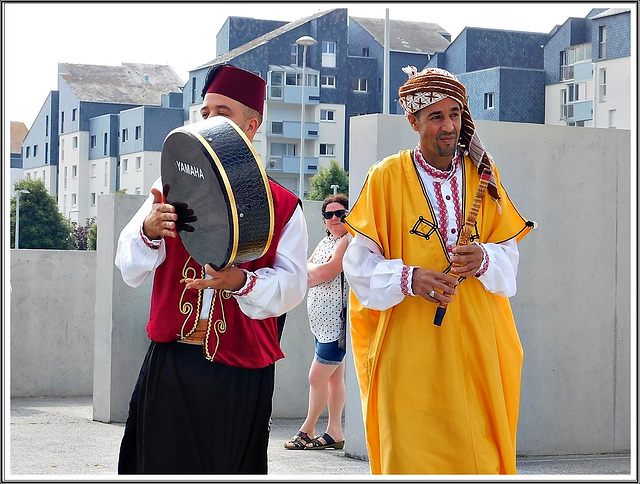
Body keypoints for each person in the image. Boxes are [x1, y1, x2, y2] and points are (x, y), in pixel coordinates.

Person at [114, 63, 308, 474]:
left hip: (241, 372)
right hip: (171, 364)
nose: (209, 121)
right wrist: (149, 230)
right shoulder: (167, 187)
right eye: (205, 113)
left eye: (223, 113)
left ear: (251, 125)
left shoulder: (283, 205)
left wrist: (241, 282)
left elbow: (293, 286)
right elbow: (128, 266)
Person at [342, 66, 535, 475]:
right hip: (411, 351)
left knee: (477, 455)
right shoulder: (385, 177)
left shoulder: (484, 175)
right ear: (413, 121)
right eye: (435, 116)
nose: (448, 126)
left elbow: (509, 257)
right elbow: (357, 266)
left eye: (455, 114)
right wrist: (410, 279)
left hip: (478, 345)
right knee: (410, 457)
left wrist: (483, 259)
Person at [284, 194, 349, 451]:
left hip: (336, 326)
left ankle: (307, 428)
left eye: (340, 213)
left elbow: (327, 271)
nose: (334, 218)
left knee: (316, 377)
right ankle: (335, 432)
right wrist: (313, 273)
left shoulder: (347, 241)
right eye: (329, 214)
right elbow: (305, 270)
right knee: (334, 378)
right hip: (320, 325)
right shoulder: (325, 242)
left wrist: (314, 274)